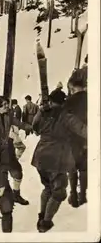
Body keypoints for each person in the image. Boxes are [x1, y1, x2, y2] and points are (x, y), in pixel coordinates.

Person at [31, 90, 75, 233]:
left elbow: (34, 128)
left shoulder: (43, 112)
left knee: (48, 188)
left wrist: (41, 111)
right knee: (59, 192)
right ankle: (46, 222)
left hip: (41, 156)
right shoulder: (66, 115)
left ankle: (42, 216)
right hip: (57, 158)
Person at [0, 96, 32, 205]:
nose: (6, 106)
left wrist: (30, 127)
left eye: (6, 104)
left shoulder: (8, 114)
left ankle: (16, 195)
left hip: (7, 146)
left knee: (17, 172)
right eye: (4, 105)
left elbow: (19, 123)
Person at [64, 69, 88, 208]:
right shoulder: (92, 98)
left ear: (72, 87)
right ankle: (83, 195)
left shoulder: (68, 102)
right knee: (84, 169)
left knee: (72, 168)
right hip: (87, 140)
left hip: (72, 141)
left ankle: (73, 195)